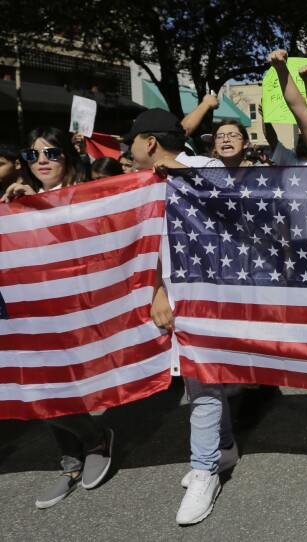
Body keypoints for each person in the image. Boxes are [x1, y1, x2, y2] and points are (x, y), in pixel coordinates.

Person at [124, 108, 240, 525]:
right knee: (201, 376)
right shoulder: (137, 182)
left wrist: (174, 170)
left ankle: (205, 468)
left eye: (132, 142)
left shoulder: (203, 166)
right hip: (172, 293)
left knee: (201, 379)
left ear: (150, 143)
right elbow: (140, 240)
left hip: (212, 293)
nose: (128, 150)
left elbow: (234, 200)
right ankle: (222, 449)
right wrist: (156, 289)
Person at [2, 127, 115, 509]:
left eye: (51, 152)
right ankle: (73, 459)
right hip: (31, 309)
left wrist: (39, 208)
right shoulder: (15, 199)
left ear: (68, 155)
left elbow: (93, 243)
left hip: (76, 307)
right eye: (33, 155)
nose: (43, 161)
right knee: (40, 384)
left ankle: (94, 440)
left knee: (50, 386)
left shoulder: (86, 195)